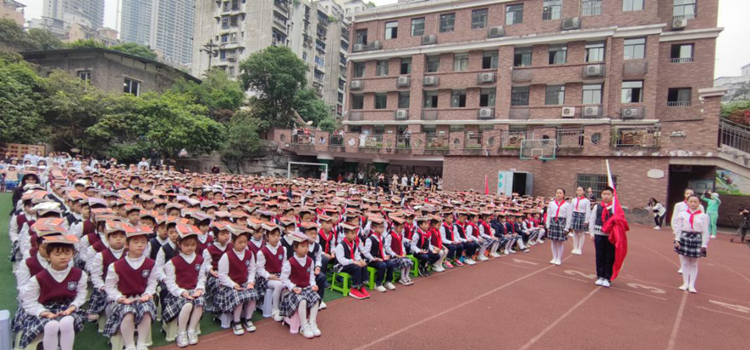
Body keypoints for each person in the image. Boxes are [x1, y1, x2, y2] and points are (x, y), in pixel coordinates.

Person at [18, 235, 87, 350]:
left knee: (67, 321)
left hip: (66, 308)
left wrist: (72, 307)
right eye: (57, 254)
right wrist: (43, 312)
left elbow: (81, 294)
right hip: (44, 308)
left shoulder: (79, 274)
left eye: (67, 253)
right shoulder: (38, 278)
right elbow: (29, 301)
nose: (63, 257)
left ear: (73, 254)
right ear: (48, 256)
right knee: (52, 325)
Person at [103, 224, 158, 350]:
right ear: (127, 244)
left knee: (146, 311)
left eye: (143, 242)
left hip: (141, 298)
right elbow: (110, 287)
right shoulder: (116, 265)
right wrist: (119, 298)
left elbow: (152, 282)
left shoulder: (150, 263)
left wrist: (147, 294)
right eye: (136, 242)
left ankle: (141, 343)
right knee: (128, 313)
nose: (140, 245)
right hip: (123, 300)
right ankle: (129, 345)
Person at [163, 225, 210, 347]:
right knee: (187, 304)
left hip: (193, 291)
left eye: (193, 245)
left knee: (199, 302)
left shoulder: (200, 260)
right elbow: (170, 284)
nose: (190, 248)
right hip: (177, 294)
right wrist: (181, 292)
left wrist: (199, 290)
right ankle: (181, 332)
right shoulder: (172, 262)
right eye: (186, 244)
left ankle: (191, 330)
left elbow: (201, 278)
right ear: (179, 244)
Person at [215, 224, 259, 336]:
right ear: (233, 242)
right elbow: (222, 275)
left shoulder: (250, 254)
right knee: (239, 297)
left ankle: (248, 319)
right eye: (240, 242)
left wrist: (250, 282)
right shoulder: (227, 256)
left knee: (253, 294)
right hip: (229, 285)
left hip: (244, 283)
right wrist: (232, 284)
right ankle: (236, 321)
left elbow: (252, 270)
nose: (243, 245)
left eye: (245, 242)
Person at [279, 231, 322, 339]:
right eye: (303, 246)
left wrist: (313, 285)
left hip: (306, 288)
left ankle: (312, 322)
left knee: (316, 297)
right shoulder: (290, 262)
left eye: (307, 246)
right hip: (293, 291)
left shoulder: (310, 261)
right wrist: (293, 287)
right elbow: (283, 278)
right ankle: (303, 326)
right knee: (302, 300)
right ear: (295, 248)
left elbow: (311, 276)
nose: (306, 248)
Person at [673, 195, 709, 293]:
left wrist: (704, 244)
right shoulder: (682, 214)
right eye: (691, 201)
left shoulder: (703, 216)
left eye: (695, 202)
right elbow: (678, 227)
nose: (693, 204)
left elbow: (705, 231)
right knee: (684, 262)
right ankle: (685, 283)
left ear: (699, 203)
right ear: (687, 202)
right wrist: (677, 239)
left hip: (697, 238)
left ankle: (692, 284)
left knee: (694, 263)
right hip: (684, 237)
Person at [255, 223, 286, 322]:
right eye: (273, 235)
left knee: (286, 283)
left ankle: (284, 307)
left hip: (279, 275)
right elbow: (259, 269)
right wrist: (268, 276)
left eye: (278, 235)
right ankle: (275, 310)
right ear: (267, 237)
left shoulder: (283, 249)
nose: (276, 238)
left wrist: (284, 275)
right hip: (265, 278)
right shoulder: (262, 252)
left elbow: (284, 265)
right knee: (278, 285)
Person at [589, 187, 616, 288]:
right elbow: (592, 219)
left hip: (611, 236)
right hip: (599, 234)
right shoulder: (597, 206)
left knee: (609, 256)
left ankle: (607, 277)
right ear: (601, 195)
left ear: (613, 195)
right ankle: (600, 276)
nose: (606, 196)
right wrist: (592, 233)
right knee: (599, 256)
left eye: (608, 194)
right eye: (604, 194)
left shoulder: (615, 207)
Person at [335, 222, 370, 300]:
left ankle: (361, 286)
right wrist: (354, 262)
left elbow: (356, 254)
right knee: (356, 267)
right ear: (346, 234)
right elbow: (341, 260)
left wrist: (360, 260)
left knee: (363, 265)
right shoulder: (340, 245)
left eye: (355, 233)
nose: (355, 235)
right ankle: (354, 289)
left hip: (349, 264)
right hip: (340, 266)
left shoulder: (353, 243)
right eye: (352, 233)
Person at [362, 216, 396, 292]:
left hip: (380, 258)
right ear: (373, 228)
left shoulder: (382, 238)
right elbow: (366, 252)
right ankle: (378, 284)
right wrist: (373, 258)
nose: (382, 229)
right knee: (382, 265)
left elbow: (382, 249)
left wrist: (384, 256)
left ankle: (388, 281)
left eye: (383, 227)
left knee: (390, 263)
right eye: (380, 227)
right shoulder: (369, 239)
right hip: (371, 260)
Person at [384, 215, 414, 285]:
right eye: (400, 228)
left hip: (400, 256)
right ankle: (402, 278)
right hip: (392, 257)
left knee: (408, 260)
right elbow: (387, 247)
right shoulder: (390, 235)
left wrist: (403, 252)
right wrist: (395, 255)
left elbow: (402, 245)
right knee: (403, 261)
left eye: (402, 228)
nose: (402, 230)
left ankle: (406, 276)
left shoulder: (400, 235)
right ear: (395, 226)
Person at [546, 189, 572, 266]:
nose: (558, 195)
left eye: (560, 193)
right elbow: (548, 215)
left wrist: (567, 227)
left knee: (560, 242)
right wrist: (547, 225)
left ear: (564, 195)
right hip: (553, 222)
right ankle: (554, 257)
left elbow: (569, 216)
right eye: (557, 193)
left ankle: (559, 258)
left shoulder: (567, 204)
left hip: (562, 222)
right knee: (553, 241)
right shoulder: (551, 203)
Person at [570, 187, 591, 255]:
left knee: (582, 232)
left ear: (583, 192)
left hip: (582, 216)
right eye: (578, 190)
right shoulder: (573, 200)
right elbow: (571, 209)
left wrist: (586, 220)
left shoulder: (586, 201)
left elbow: (588, 211)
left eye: (580, 190)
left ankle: (579, 248)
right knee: (575, 232)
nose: (579, 192)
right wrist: (570, 218)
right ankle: (575, 247)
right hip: (574, 215)